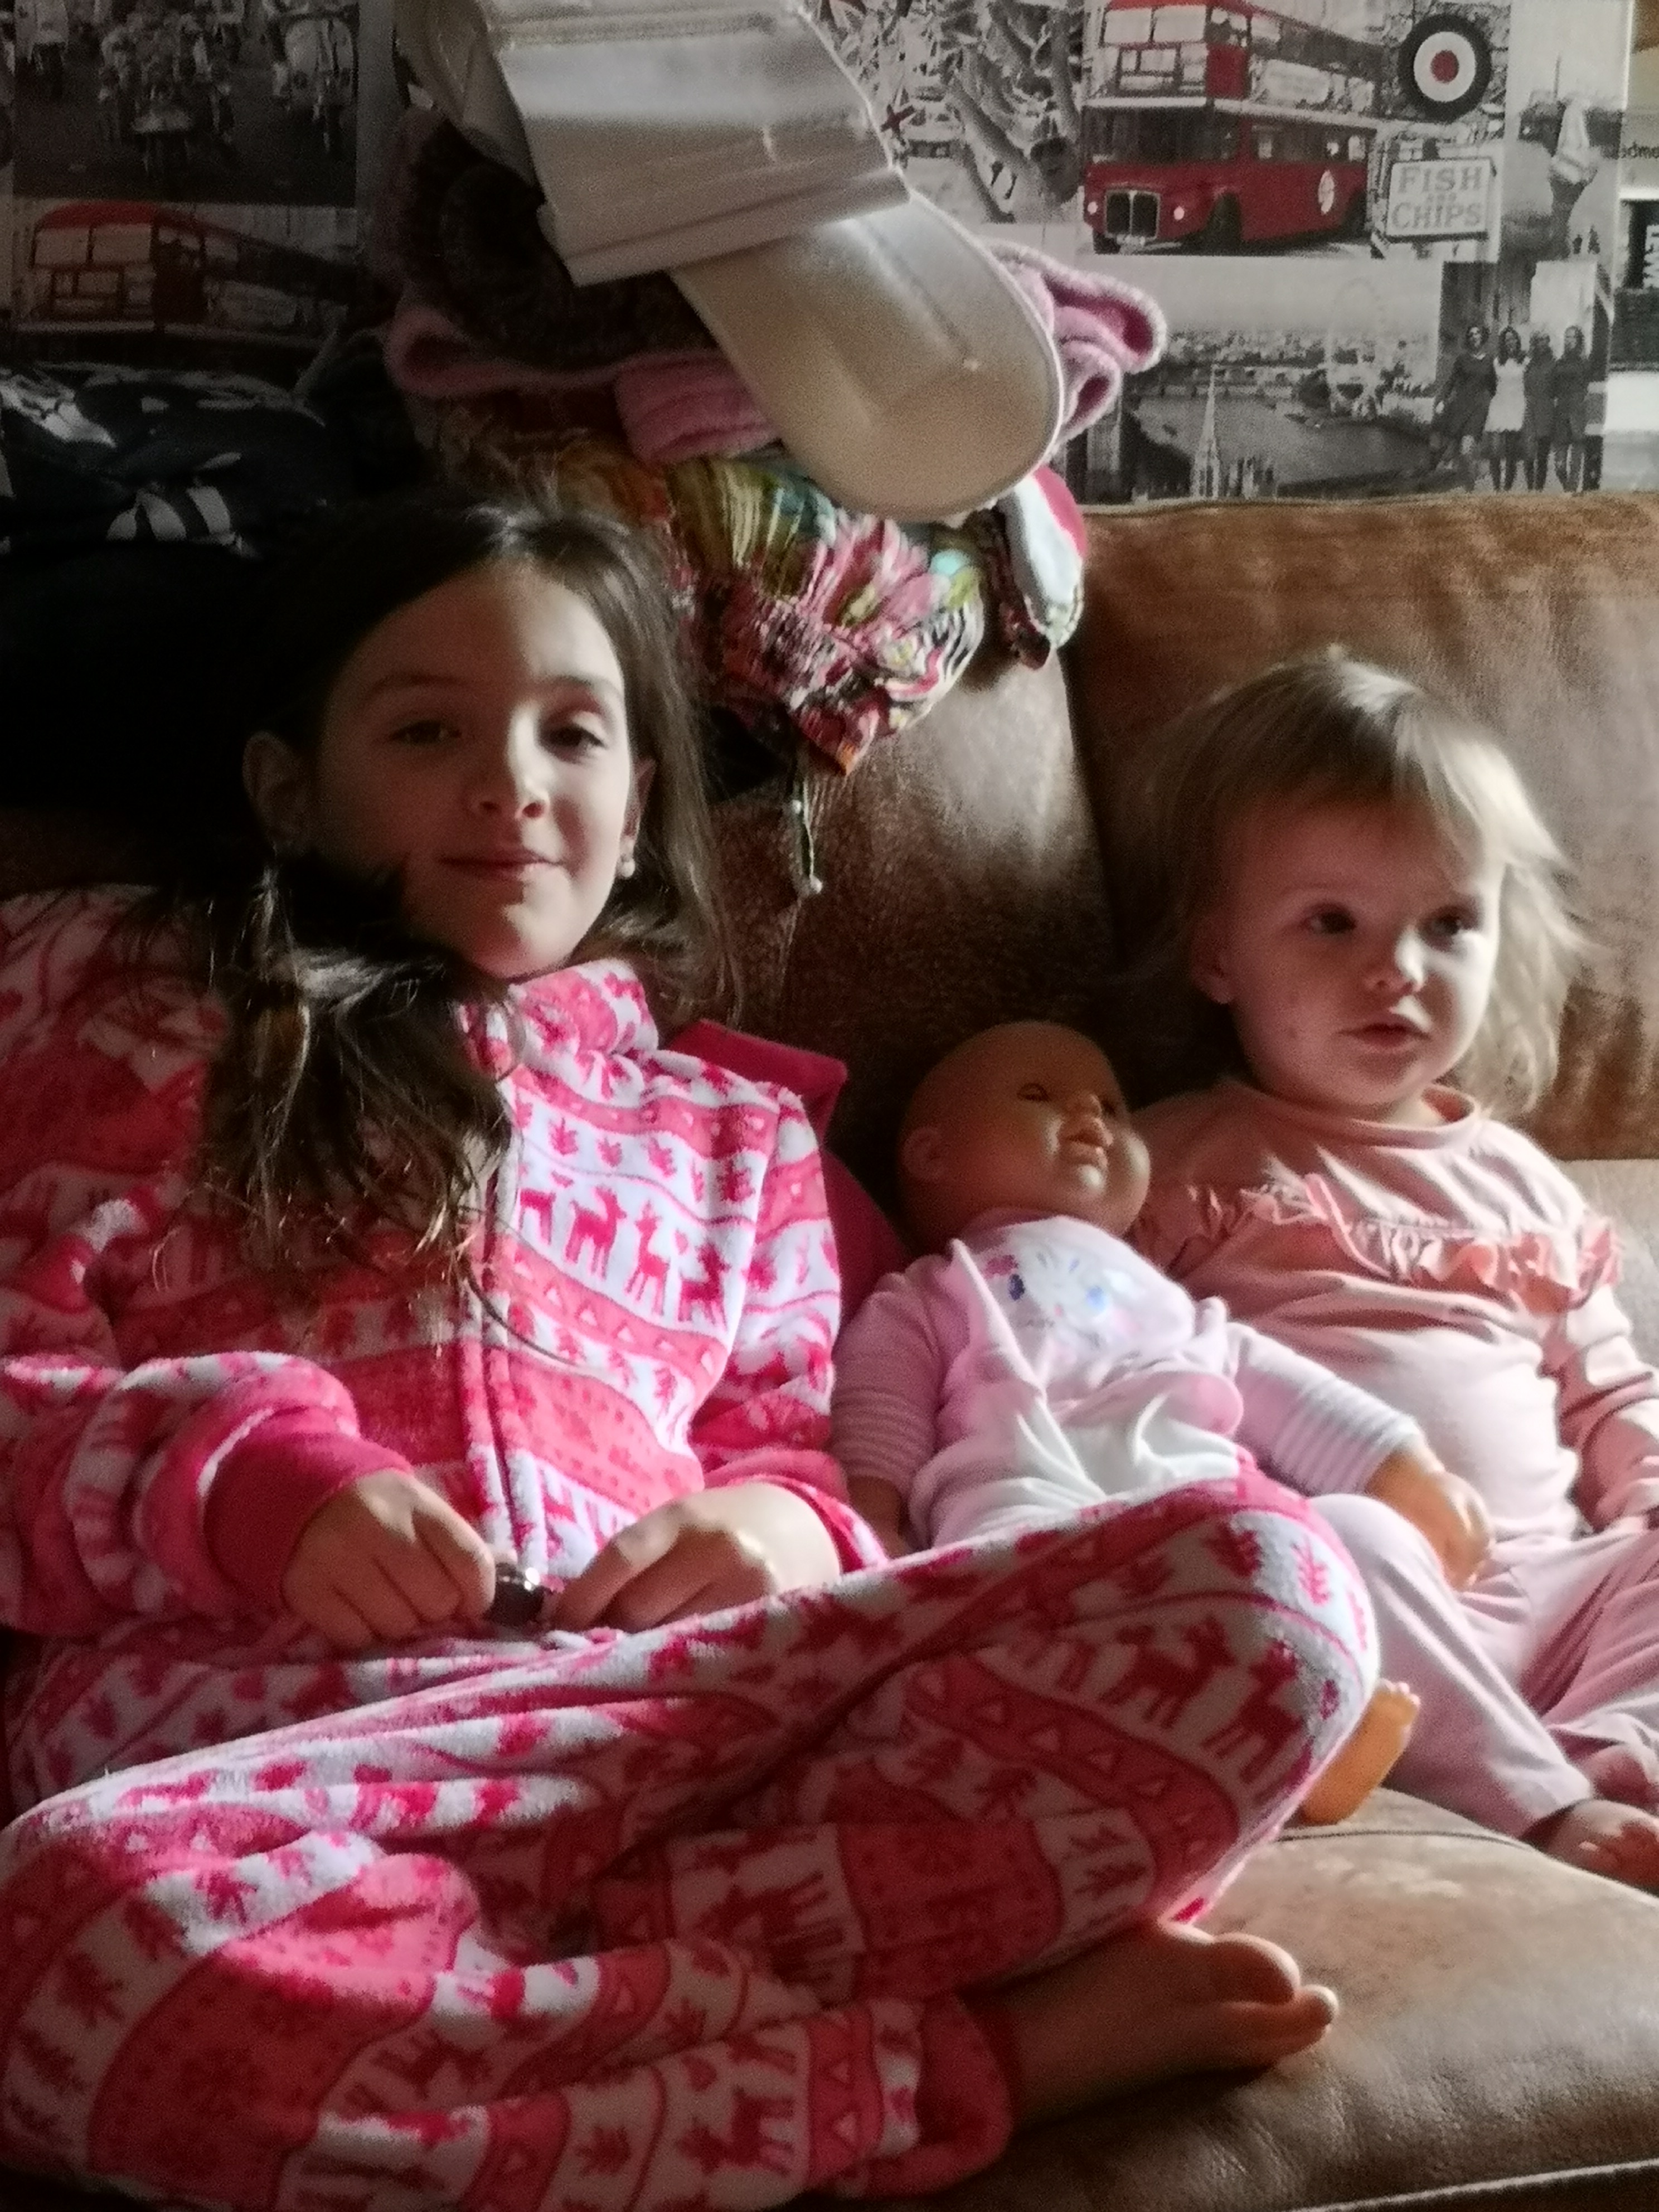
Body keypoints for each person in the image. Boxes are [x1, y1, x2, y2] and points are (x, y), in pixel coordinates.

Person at [0, 487, 1369, 2211]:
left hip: (678, 1732)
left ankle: (540, 2000)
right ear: (290, 788)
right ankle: (949, 2061)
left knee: (1274, 1585)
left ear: (640, 801)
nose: (512, 783)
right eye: (426, 731)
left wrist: (787, 1524)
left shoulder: (736, 1135)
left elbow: (799, 1450)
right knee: (57, 1946)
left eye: (572, 733)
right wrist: (244, 1482)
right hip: (268, 1788)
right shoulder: (122, 1014)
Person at [1114, 648, 1659, 1894]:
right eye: (1333, 922)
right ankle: (1539, 1806)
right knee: (1341, 1535)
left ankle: (1609, 1762)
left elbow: (1611, 1391)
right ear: (1217, 955)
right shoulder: (1168, 1165)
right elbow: (1087, 1368)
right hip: (1354, 1607)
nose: (1400, 969)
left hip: (1557, 1598)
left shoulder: (1520, 1182)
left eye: (1449, 923)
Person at [832, 1018, 1422, 1825]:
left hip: (1197, 1493)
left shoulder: (1164, 1295)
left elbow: (1259, 1372)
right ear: (932, 1155)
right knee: (1009, 1605)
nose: (1089, 1116)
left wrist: (1395, 1462)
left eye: (1111, 1106)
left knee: (1303, 1553)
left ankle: (1297, 1727)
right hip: (1027, 1490)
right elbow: (881, 1400)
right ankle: (1125, 1753)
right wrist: (873, 1512)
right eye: (1039, 1095)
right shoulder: (930, 1287)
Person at [1430, 321, 1495, 492]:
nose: (1474, 337)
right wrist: (1442, 400)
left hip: (1479, 410)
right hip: (1461, 408)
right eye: (1471, 335)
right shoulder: (1462, 360)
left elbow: (1494, 388)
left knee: (1466, 450)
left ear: (1483, 336)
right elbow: (1451, 382)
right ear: (1468, 339)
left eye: (1477, 333)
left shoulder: (1490, 361)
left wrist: (1494, 407)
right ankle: (1469, 487)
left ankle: (1470, 488)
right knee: (1462, 454)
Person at [1485, 325, 1527, 492]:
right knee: (1495, 450)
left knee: (1511, 452)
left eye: (1513, 339)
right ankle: (1497, 486)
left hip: (1516, 408)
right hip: (1499, 406)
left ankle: (1507, 488)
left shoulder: (1525, 361)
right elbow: (1490, 385)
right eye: (1507, 340)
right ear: (1503, 343)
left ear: (1518, 341)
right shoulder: (1496, 362)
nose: (1511, 342)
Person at [1552, 324, 1592, 494]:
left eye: (1572, 337)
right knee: (1559, 465)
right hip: (1561, 412)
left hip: (1578, 412)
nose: (1568, 341)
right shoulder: (1559, 363)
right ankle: (1568, 488)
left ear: (1579, 340)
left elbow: (1590, 387)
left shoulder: (1585, 363)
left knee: (1576, 459)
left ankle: (1572, 489)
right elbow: (1553, 387)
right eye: (1566, 337)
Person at [1522, 327, 1556, 491]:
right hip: (1531, 409)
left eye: (1544, 340)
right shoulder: (1530, 363)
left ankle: (1539, 489)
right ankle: (1530, 486)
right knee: (1529, 452)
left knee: (1542, 454)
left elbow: (1557, 387)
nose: (1541, 343)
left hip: (1547, 410)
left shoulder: (1553, 363)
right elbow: (1525, 385)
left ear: (1548, 342)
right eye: (1538, 340)